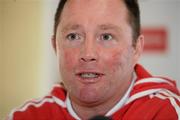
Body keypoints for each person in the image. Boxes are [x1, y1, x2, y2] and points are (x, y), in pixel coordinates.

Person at [8, 0, 180, 120]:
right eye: (73, 36)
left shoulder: (167, 113)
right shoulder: (27, 116)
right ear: (55, 47)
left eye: (106, 36)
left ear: (136, 48)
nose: (88, 53)